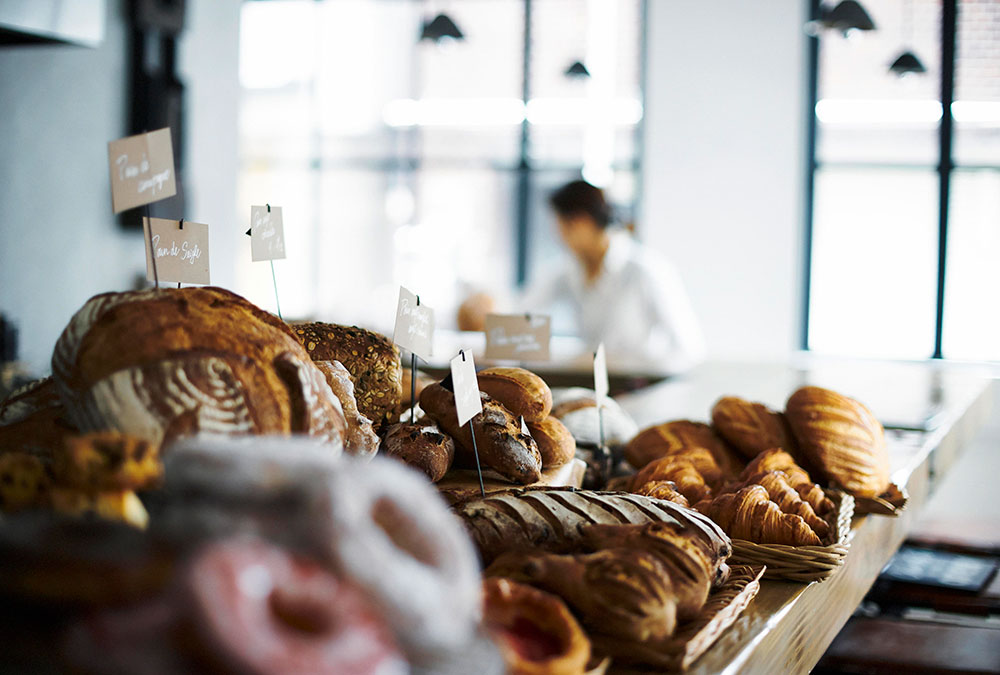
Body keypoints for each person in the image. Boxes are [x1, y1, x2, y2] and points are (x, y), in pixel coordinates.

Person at [519, 179, 706, 372]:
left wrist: (642, 371)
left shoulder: (644, 270)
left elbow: (689, 349)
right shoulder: (568, 272)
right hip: (591, 384)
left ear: (581, 221)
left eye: (561, 226)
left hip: (638, 382)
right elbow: (523, 312)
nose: (558, 235)